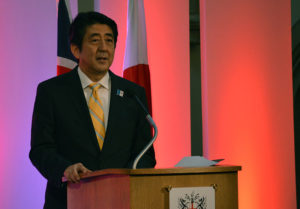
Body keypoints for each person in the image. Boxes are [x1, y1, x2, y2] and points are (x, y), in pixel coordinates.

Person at [29, 11, 156, 209]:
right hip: (68, 200)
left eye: (109, 40)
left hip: (121, 202)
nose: (104, 48)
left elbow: (146, 154)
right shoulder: (51, 92)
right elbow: (40, 149)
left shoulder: (133, 94)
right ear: (75, 49)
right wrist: (65, 169)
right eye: (95, 40)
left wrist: (128, 181)